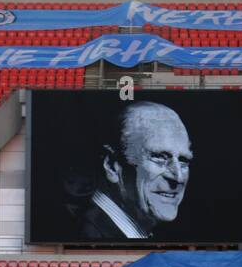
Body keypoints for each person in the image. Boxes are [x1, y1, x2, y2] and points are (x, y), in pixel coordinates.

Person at [76, 100, 191, 240]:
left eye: (184, 160)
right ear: (111, 165)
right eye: (159, 157)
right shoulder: (86, 236)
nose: (178, 178)